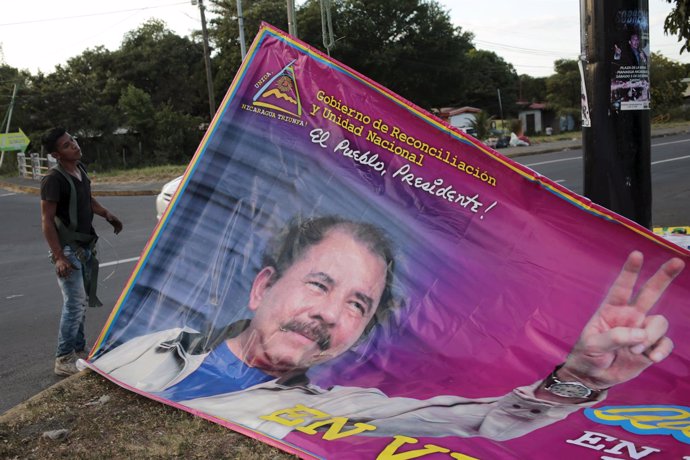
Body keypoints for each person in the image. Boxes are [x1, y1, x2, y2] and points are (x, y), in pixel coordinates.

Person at [92, 215, 684, 440]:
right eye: (320, 285)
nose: (330, 314)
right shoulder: (151, 349)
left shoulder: (338, 408)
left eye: (357, 305)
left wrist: (576, 377)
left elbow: (482, 421)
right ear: (262, 286)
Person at [40, 127, 123, 377]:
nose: (74, 145)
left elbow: (87, 199)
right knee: (74, 303)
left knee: (81, 302)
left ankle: (78, 348)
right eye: (67, 145)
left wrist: (107, 214)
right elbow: (47, 220)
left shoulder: (80, 169)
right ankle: (63, 357)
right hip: (68, 249)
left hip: (86, 246)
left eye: (73, 140)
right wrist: (59, 257)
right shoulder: (53, 180)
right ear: (56, 154)